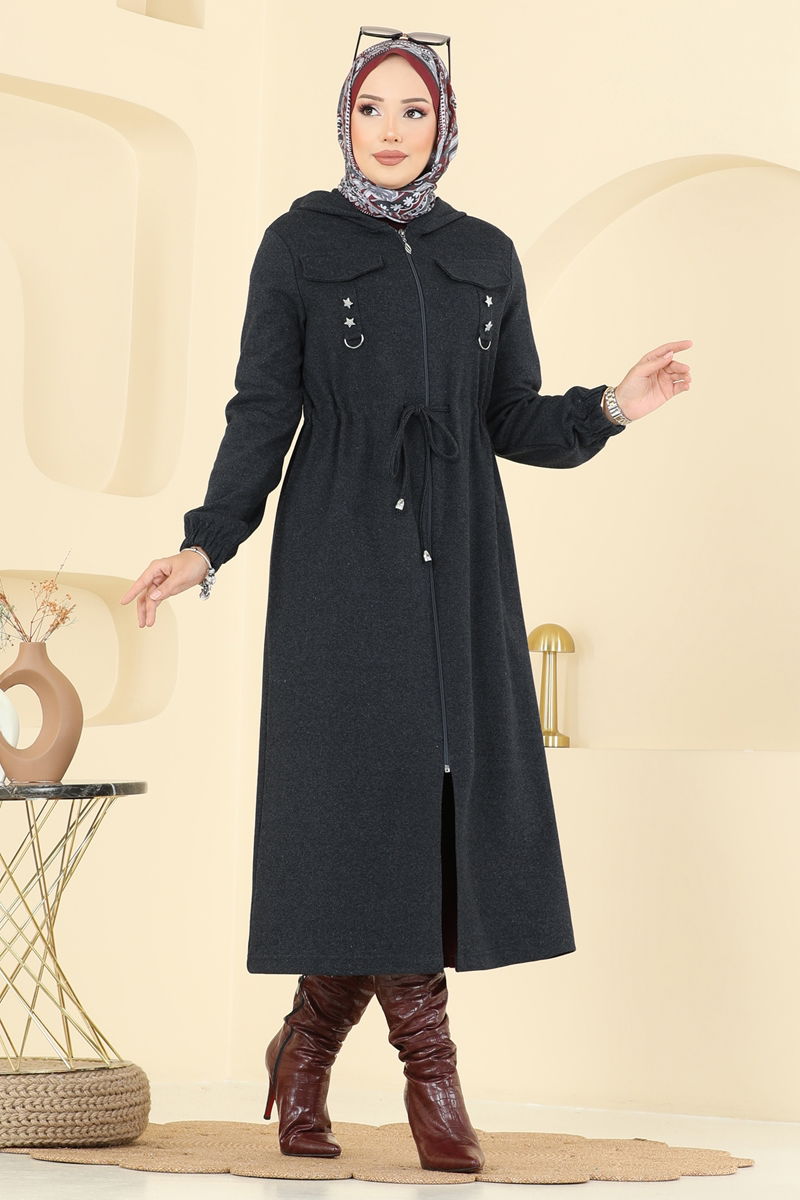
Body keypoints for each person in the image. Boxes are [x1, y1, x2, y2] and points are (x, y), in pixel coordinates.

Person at [120, 30, 693, 1175]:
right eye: (371, 108)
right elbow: (261, 406)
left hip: (461, 551)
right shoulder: (298, 242)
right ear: (344, 119)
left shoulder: (482, 253)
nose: (390, 129)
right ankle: (432, 1073)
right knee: (362, 798)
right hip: (340, 551)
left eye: (413, 110)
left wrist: (610, 408)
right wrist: (205, 541)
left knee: (425, 804)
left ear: (443, 125)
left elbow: (509, 417)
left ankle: (305, 1048)